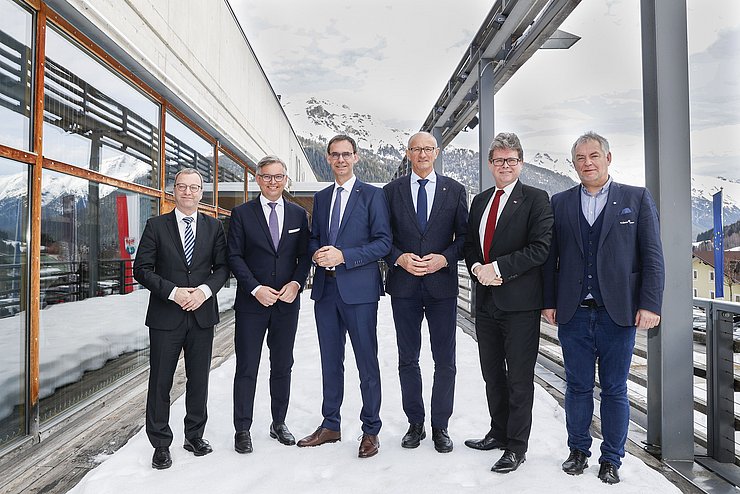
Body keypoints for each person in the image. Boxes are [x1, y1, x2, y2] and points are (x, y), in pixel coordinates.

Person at [542, 131, 664, 484]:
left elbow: (653, 256)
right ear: (574, 164)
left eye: (594, 156)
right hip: (574, 312)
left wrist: (650, 303)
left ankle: (611, 458)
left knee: (615, 389)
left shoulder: (636, 198)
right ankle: (578, 450)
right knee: (577, 386)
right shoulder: (560, 202)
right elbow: (551, 259)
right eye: (580, 158)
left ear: (608, 158)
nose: (587, 163)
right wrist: (549, 301)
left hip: (619, 312)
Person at [463, 132, 553, 474]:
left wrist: (497, 269)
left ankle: (517, 446)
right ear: (490, 164)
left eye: (511, 160)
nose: (505, 165)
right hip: (484, 302)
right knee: (492, 375)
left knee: (518, 378)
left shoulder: (536, 199)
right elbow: (471, 244)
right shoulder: (480, 201)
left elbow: (540, 248)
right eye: (499, 160)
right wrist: (476, 268)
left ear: (521, 163)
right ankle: (498, 432)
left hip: (518, 304)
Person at [297, 134, 391, 459]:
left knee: (367, 362)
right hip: (326, 292)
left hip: (360, 292)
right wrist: (317, 254)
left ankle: (371, 430)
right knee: (330, 361)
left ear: (356, 157)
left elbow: (383, 243)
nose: (340, 160)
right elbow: (313, 239)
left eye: (346, 154)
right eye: (335, 154)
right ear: (327, 157)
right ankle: (330, 425)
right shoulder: (321, 198)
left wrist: (344, 256)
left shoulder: (373, 196)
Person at [133, 168, 229, 470]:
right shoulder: (155, 225)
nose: (188, 192)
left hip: (202, 315)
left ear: (202, 193)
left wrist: (202, 292)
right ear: (173, 190)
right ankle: (160, 443)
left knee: (198, 379)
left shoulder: (214, 227)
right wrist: (173, 292)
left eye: (194, 187)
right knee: (161, 381)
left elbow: (223, 268)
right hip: (166, 315)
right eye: (182, 187)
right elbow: (142, 269)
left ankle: (194, 435)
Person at [383, 131, 468, 453]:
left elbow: (464, 237)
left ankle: (440, 426)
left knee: (445, 360)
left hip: (441, 287)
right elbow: (382, 236)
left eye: (427, 149)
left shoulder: (455, 190)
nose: (422, 155)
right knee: (408, 358)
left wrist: (444, 258)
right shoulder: (391, 192)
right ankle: (415, 423)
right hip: (404, 287)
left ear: (437, 152)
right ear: (407, 153)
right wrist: (398, 257)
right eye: (416, 149)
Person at [227, 155, 311, 454]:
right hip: (252, 304)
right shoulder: (241, 214)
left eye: (278, 176)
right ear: (257, 178)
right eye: (267, 176)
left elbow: (304, 257)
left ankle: (279, 423)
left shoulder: (299, 215)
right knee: (247, 366)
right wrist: (255, 288)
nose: (273, 182)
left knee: (282, 365)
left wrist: (296, 284)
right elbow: (234, 256)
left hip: (286, 304)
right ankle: (242, 429)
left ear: (285, 179)